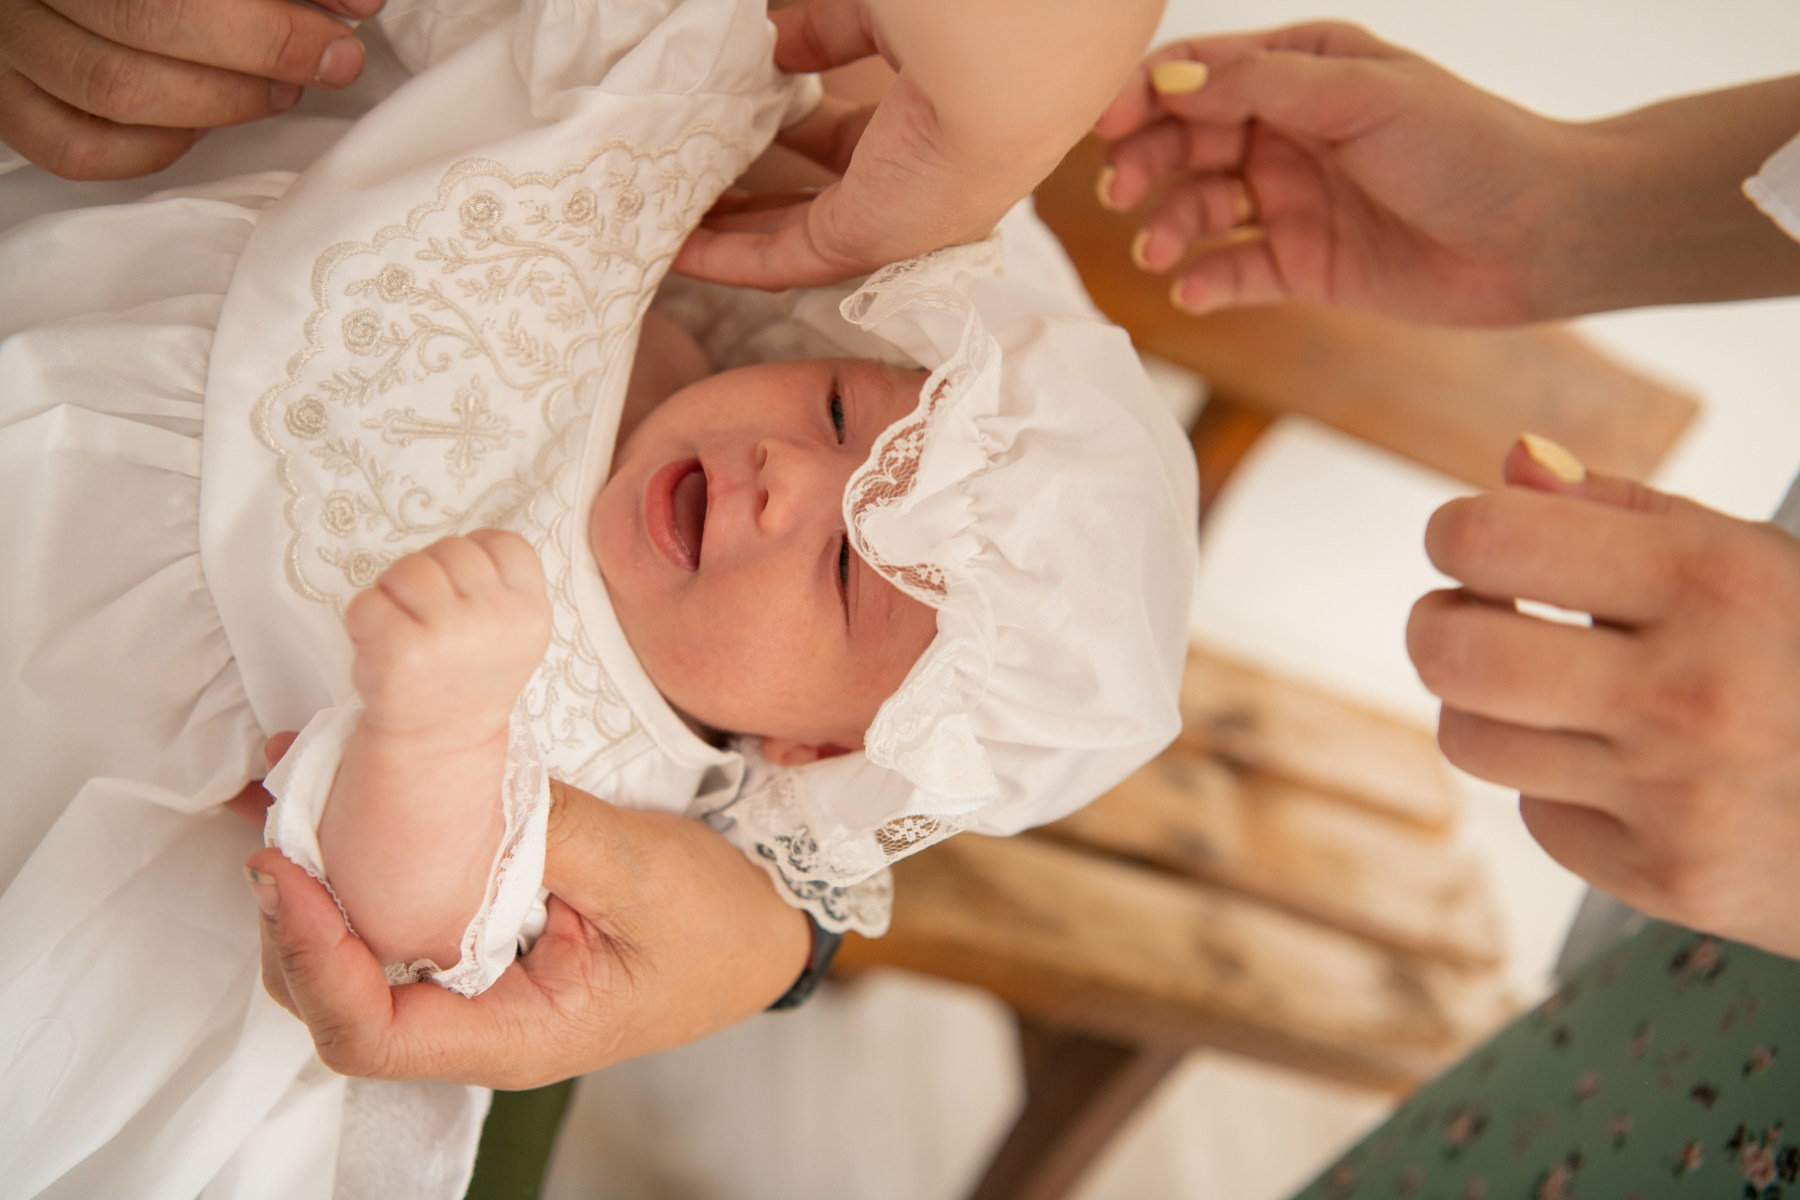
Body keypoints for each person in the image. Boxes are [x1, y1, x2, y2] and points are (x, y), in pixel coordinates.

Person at [0, 0, 1194, 1195]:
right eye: (840, 412)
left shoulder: (623, 772)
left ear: (818, 746)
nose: (792, 477)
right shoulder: (652, 244)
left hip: (58, 667)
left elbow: (407, 926)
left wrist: (438, 735)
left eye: (845, 571)